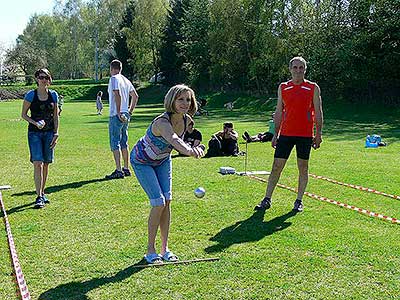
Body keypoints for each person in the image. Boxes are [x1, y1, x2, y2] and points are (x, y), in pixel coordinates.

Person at [130, 84, 205, 264]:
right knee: (158, 202)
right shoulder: (162, 122)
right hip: (142, 161)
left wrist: (197, 147)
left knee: (167, 201)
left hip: (163, 160)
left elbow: (185, 139)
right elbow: (173, 139)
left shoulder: (188, 120)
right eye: (180, 99)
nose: (185, 103)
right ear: (172, 100)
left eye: (188, 99)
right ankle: (150, 251)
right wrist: (189, 150)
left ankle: (165, 249)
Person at [254, 56, 323, 213]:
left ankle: (299, 201)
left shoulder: (313, 87)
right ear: (290, 69)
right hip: (286, 134)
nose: (298, 71)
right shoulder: (283, 87)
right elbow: (279, 111)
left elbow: (318, 112)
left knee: (303, 167)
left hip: (305, 135)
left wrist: (318, 133)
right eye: (295, 67)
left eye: (301, 68)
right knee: (276, 166)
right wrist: (274, 134)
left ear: (305, 70)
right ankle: (267, 199)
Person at [21, 68, 59, 208]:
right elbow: (24, 115)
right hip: (34, 134)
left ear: (49, 80)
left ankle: (42, 193)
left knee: (46, 164)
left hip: (49, 133)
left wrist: (56, 133)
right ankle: (38, 196)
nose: (44, 80)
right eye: (41, 77)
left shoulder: (53, 95)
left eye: (46, 77)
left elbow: (55, 116)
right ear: (37, 79)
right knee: (38, 163)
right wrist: (35, 123)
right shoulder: (31, 95)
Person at [105, 60, 139, 179]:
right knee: (124, 141)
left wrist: (119, 112)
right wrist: (129, 111)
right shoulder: (126, 80)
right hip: (126, 113)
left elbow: (117, 94)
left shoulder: (114, 79)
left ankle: (119, 170)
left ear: (111, 68)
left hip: (116, 114)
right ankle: (126, 167)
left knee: (115, 142)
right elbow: (135, 96)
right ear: (121, 68)